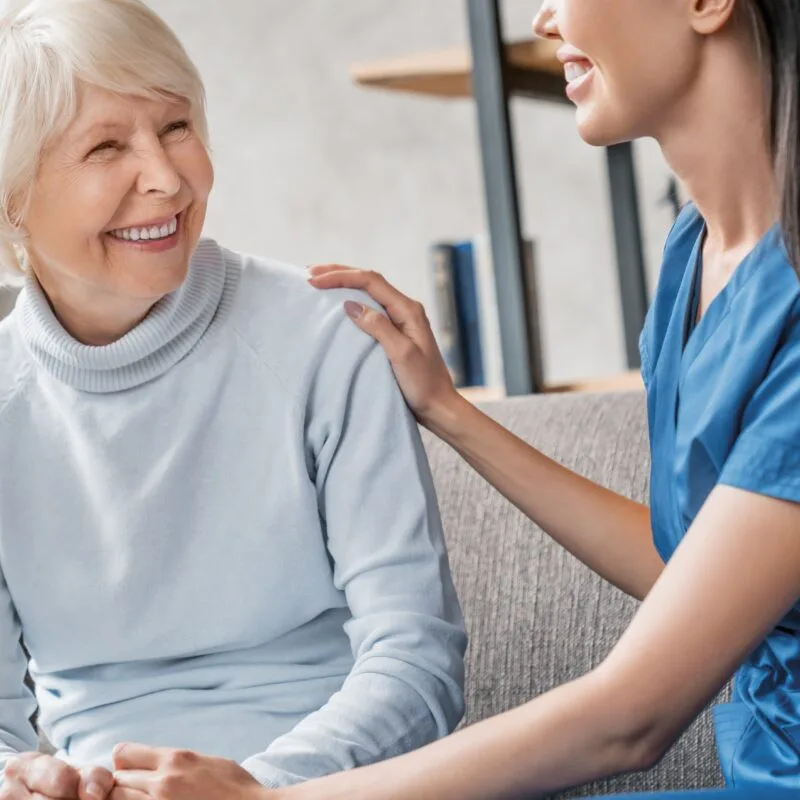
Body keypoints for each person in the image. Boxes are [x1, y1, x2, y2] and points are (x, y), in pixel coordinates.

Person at [205, 0, 798, 797]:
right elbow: (689, 569)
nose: (545, 19)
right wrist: (451, 413)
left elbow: (633, 717)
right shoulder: (695, 256)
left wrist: (272, 799)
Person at [0, 0, 468, 798]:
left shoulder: (327, 337)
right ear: (11, 197)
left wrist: (255, 787)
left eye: (177, 127)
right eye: (108, 145)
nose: (168, 178)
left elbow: (417, 661)